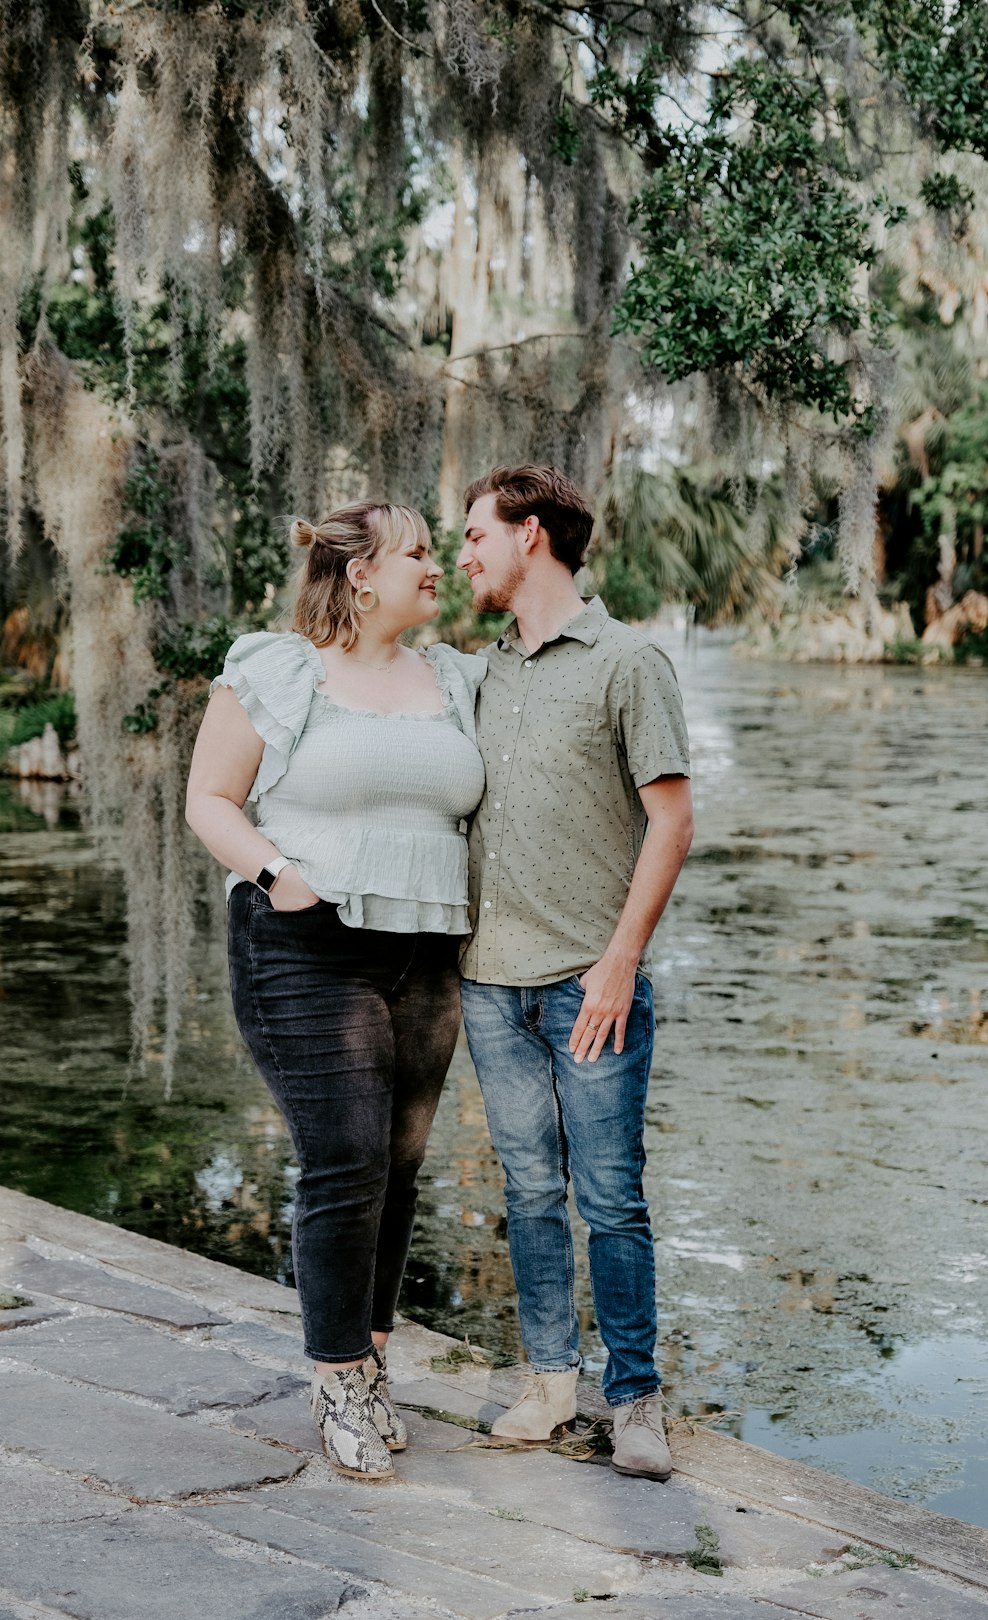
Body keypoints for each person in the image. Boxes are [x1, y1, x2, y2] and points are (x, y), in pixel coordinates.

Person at [185, 501, 485, 1481]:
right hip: (307, 947)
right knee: (346, 1154)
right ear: (362, 575)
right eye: (420, 554)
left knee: (397, 1165)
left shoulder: (451, 678)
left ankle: (375, 1359)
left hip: (427, 952)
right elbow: (209, 800)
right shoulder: (281, 668)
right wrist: (283, 880)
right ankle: (337, 1378)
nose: (436, 569)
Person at [455, 465, 693, 1483]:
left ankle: (634, 1399)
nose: (464, 554)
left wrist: (619, 964)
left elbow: (674, 821)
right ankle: (551, 1383)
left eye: (475, 535)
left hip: (590, 985)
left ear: (532, 535)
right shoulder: (479, 674)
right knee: (529, 1186)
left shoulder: (628, 662)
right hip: (488, 982)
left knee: (611, 1196)